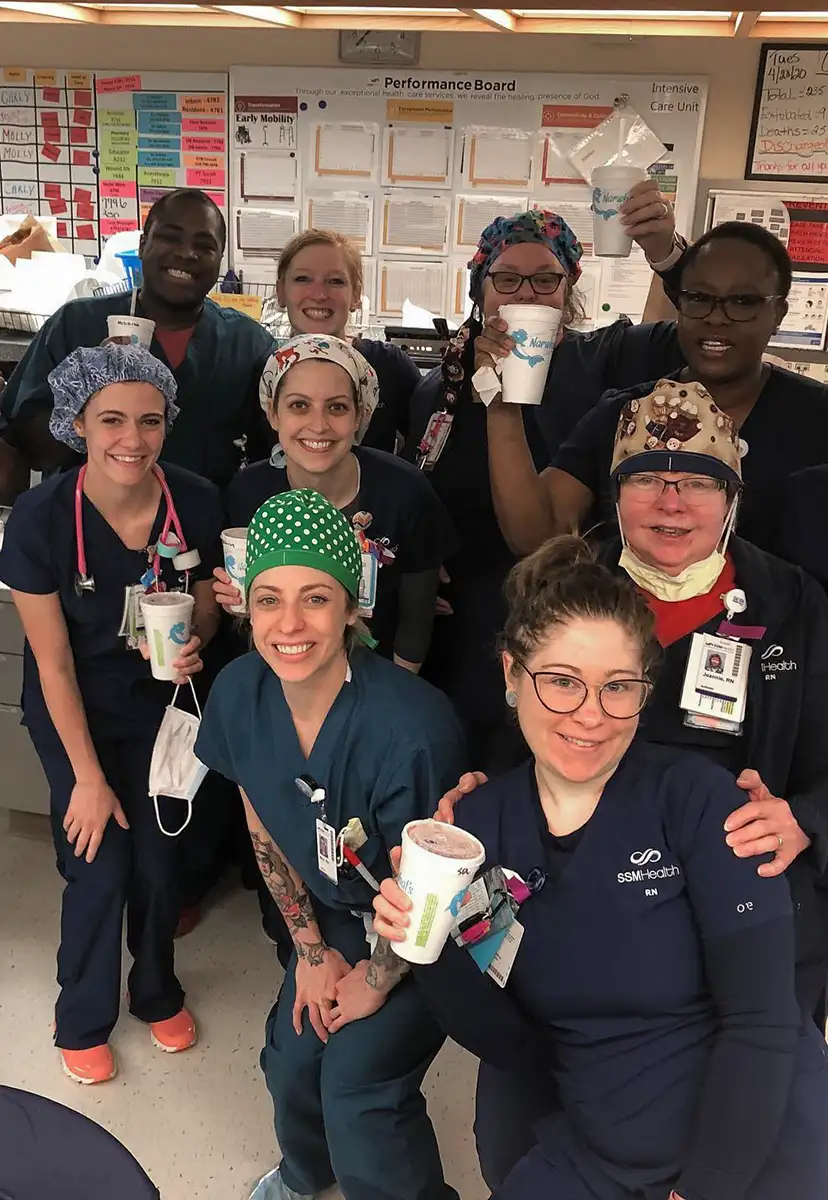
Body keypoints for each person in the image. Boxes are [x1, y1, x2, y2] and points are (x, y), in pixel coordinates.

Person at [374, 537, 828, 1200]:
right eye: (561, 681)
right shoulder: (483, 836)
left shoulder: (699, 803)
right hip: (604, 1145)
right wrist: (429, 946)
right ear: (511, 674)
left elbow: (759, 1025)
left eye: (618, 687)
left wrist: (701, 1191)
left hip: (756, 1142)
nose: (590, 715)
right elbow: (510, 1044)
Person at [194, 489, 467, 1200]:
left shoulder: (412, 731)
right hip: (333, 914)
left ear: (353, 607)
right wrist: (312, 952)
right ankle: (303, 1175)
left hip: (429, 930)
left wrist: (374, 980)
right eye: (267, 599)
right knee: (290, 1058)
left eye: (316, 599)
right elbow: (262, 815)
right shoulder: (237, 692)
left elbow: (432, 894)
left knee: (357, 1086)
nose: (289, 624)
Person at [0, 345, 223, 1084]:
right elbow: (54, 663)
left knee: (161, 864)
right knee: (99, 863)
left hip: (163, 710)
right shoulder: (39, 520)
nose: (133, 439)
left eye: (150, 421)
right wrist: (87, 780)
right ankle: (81, 1015)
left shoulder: (193, 501)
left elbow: (203, 611)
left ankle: (155, 989)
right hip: (76, 714)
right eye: (113, 420)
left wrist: (195, 643)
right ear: (79, 424)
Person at [404, 189, 687, 768]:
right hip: (466, 624)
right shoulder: (443, 390)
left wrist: (664, 252)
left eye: (545, 279)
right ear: (479, 291)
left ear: (569, 290)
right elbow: (419, 496)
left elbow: (692, 332)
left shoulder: (606, 362)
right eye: (506, 279)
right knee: (465, 767)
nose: (526, 293)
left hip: (580, 616)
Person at [483, 221, 828, 559]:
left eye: (742, 302)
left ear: (778, 312)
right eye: (698, 298)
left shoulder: (815, 417)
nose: (716, 317)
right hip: (633, 614)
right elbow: (537, 537)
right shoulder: (623, 414)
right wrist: (502, 408)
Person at [0, 188, 276, 498]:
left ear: (219, 259)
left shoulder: (248, 345)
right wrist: (87, 398)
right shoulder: (76, 325)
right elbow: (27, 445)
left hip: (205, 530)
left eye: (205, 246)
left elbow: (277, 451)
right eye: (171, 238)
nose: (187, 254)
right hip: (85, 527)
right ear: (143, 245)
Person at [219, 334, 455, 670]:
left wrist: (394, 700)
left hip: (379, 679)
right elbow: (247, 620)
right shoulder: (248, 493)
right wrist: (236, 600)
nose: (318, 425)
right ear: (273, 413)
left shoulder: (404, 491)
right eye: (299, 405)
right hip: (282, 675)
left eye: (337, 407)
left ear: (360, 414)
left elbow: (415, 622)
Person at [275, 228, 422, 452]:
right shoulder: (263, 373)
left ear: (356, 295)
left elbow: (426, 444)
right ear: (281, 292)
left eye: (335, 281)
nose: (319, 294)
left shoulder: (390, 367)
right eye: (302, 279)